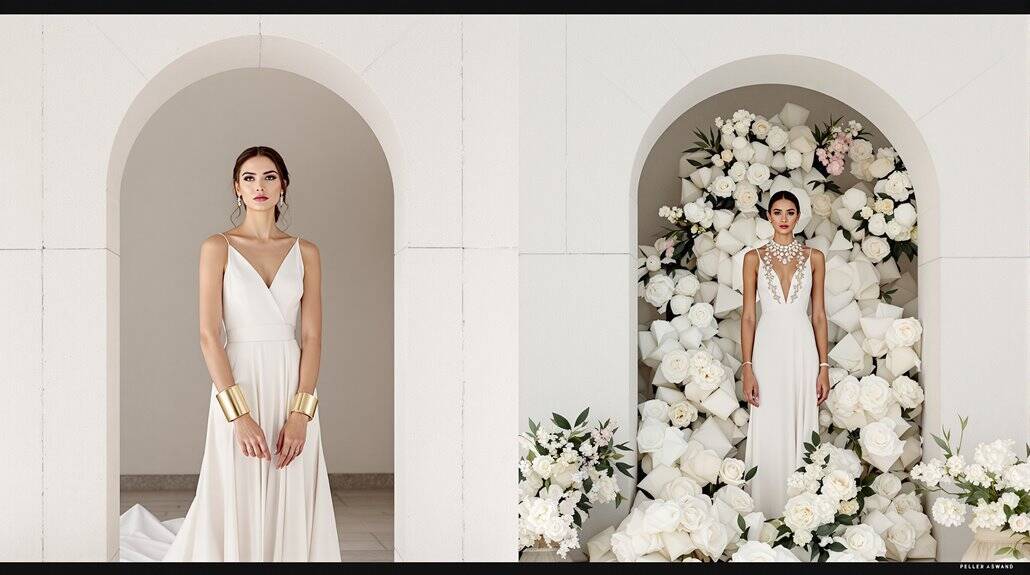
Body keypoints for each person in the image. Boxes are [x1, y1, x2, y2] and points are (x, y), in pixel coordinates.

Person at [119, 146, 341, 561]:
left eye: (270, 177)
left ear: (283, 186)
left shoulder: (306, 251)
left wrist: (301, 412)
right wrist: (238, 415)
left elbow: (312, 337)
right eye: (250, 178)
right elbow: (208, 335)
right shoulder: (216, 246)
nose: (260, 186)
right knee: (238, 474)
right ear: (237, 188)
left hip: (290, 377)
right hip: (238, 379)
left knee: (289, 469)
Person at [739, 190, 830, 520]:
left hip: (802, 346)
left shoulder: (815, 257)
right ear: (768, 216)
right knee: (770, 417)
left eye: (790, 212)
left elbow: (819, 315)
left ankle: (801, 513)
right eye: (777, 212)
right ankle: (766, 508)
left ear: (798, 216)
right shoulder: (753, 258)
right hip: (768, 347)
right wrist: (747, 367)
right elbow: (748, 315)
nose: (783, 218)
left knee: (800, 418)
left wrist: (823, 366)